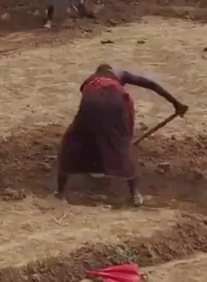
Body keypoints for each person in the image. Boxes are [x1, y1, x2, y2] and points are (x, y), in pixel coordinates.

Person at [57, 63, 188, 205]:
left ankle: (60, 193)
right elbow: (151, 85)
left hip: (91, 102)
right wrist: (176, 103)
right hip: (116, 102)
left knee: (74, 140)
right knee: (122, 143)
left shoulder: (91, 80)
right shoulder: (120, 74)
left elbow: (85, 93)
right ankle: (135, 194)